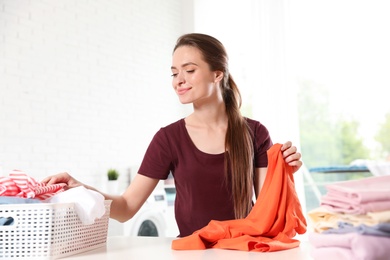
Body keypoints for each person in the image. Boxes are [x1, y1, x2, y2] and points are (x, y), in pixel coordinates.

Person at [43, 33, 302, 238]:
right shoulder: (168, 139)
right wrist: (82, 187)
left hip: (243, 251)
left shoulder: (254, 133)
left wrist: (284, 170)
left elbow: (270, 208)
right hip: (193, 253)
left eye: (189, 70)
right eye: (174, 72)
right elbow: (125, 208)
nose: (179, 80)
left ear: (217, 73)